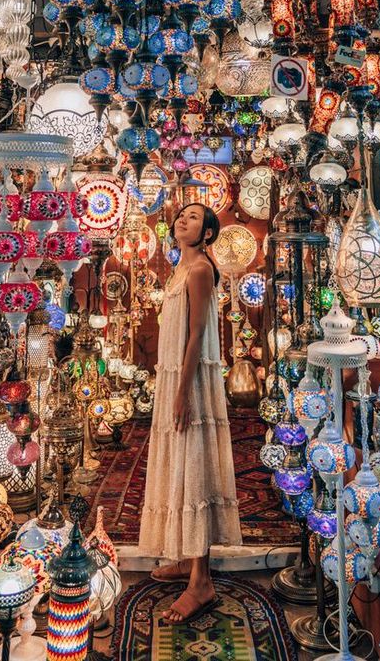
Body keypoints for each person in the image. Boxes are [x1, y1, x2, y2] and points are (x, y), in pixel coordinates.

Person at [139, 202, 242, 623]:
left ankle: (201, 581)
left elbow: (198, 333)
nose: (183, 218)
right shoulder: (179, 269)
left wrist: (182, 392)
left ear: (208, 234)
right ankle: (185, 554)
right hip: (173, 378)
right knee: (178, 459)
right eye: (182, 214)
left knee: (194, 460)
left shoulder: (200, 270)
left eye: (195, 217)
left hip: (192, 381)